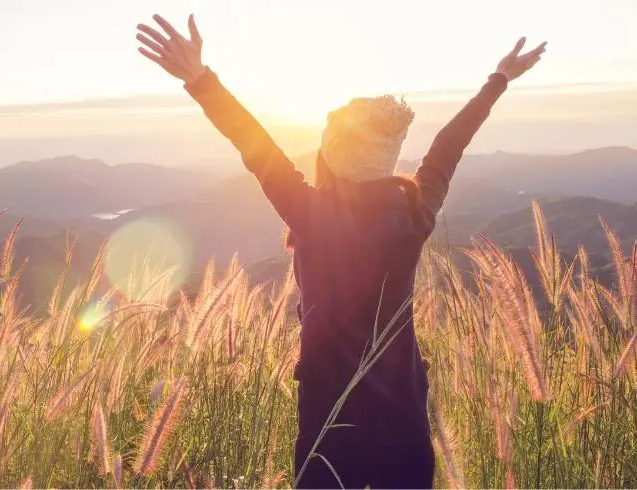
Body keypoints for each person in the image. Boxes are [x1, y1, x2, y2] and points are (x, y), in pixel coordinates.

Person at [136, 14, 546, 489]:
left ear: (330, 153)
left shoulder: (310, 213)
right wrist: (498, 80)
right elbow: (447, 147)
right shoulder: (415, 213)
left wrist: (200, 80)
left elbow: (256, 147)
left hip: (328, 422)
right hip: (403, 417)